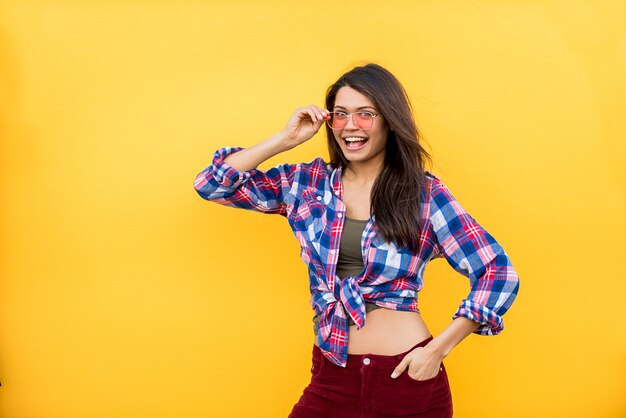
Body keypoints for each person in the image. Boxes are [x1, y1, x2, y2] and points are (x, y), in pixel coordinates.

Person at [194, 63, 520, 417]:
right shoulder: (308, 184)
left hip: (405, 377)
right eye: (340, 114)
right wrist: (286, 139)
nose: (351, 125)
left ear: (389, 121)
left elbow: (497, 271)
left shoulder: (423, 194)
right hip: (332, 374)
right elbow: (213, 185)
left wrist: (436, 351)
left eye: (365, 114)